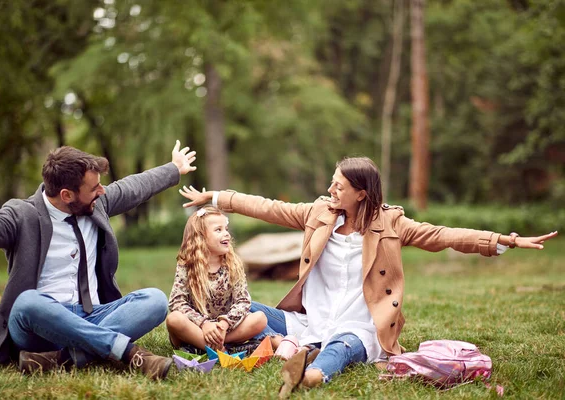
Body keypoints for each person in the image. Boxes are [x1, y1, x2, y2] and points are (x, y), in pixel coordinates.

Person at [179, 157, 558, 397]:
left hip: (359, 325)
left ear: (361, 193)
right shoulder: (318, 213)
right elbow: (267, 207)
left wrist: (502, 240)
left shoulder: (392, 224)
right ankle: (216, 341)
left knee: (342, 348)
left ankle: (312, 375)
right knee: (252, 314)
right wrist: (214, 197)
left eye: (338, 186)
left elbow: (443, 235)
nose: (330, 190)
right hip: (309, 318)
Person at [0, 140, 196, 380]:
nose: (102, 191)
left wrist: (173, 168)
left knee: (155, 300)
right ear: (66, 195)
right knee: (27, 303)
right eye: (94, 188)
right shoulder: (21, 216)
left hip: (94, 315)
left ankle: (61, 359)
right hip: (42, 325)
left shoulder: (97, 204)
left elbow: (133, 187)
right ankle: (123, 351)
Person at [166, 206, 267, 353]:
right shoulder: (186, 265)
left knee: (260, 319)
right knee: (174, 319)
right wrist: (204, 324)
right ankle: (223, 349)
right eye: (218, 230)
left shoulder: (233, 264)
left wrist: (225, 324)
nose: (226, 234)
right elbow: (177, 302)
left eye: (226, 229)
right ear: (200, 237)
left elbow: (243, 301)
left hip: (225, 329)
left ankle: (209, 346)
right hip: (196, 327)